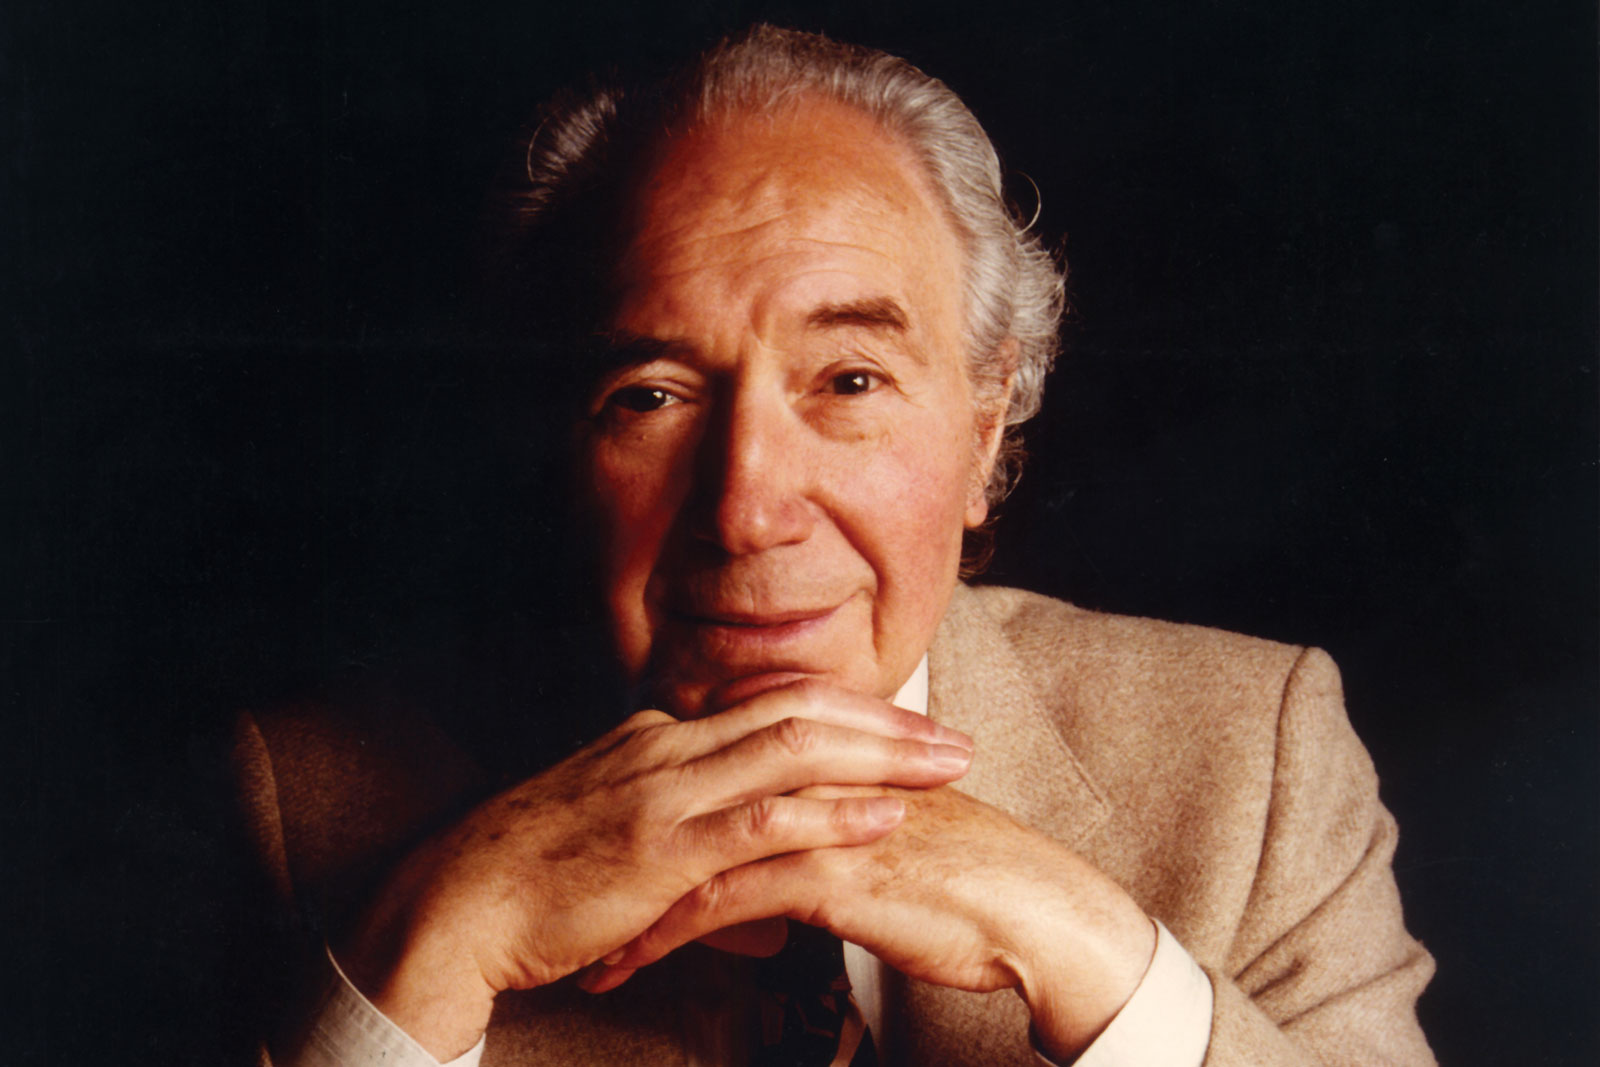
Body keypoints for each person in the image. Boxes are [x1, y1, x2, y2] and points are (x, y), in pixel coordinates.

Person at [231, 25, 1436, 1066]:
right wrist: (429, 946)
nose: (746, 508)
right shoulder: (297, 801)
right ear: (559, 441)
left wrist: (1099, 958)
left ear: (984, 425)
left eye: (849, 380)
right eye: (650, 396)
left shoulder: (1252, 752)